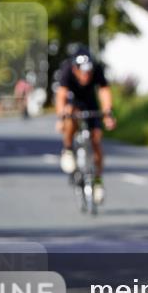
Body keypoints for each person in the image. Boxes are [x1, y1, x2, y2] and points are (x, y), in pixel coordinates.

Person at [55, 46, 115, 204]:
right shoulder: (67, 70)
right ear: (75, 68)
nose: (86, 75)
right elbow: (61, 95)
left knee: (96, 141)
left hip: (90, 102)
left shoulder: (97, 69)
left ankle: (98, 182)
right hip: (72, 102)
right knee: (70, 116)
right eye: (83, 72)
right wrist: (61, 116)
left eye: (88, 72)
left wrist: (108, 113)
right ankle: (68, 150)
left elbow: (104, 90)